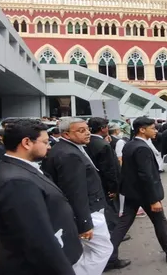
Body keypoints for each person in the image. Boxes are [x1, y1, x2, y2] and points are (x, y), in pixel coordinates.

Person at [0, 119, 83, 274]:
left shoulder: (18, 168)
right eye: (45, 142)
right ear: (26, 143)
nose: (49, 146)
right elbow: (36, 238)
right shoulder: (16, 181)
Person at [106, 117, 167, 270]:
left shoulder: (131, 144)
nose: (156, 131)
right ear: (142, 129)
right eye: (152, 128)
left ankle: (109, 257)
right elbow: (146, 175)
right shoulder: (141, 147)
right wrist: (154, 199)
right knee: (160, 222)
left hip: (132, 192)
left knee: (123, 225)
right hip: (144, 194)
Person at [42, 117, 113, 275]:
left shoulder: (71, 148)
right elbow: (75, 191)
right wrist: (84, 222)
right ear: (66, 134)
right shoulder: (69, 154)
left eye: (87, 129)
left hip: (87, 209)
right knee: (103, 249)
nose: (87, 133)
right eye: (81, 131)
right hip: (88, 211)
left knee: (85, 252)